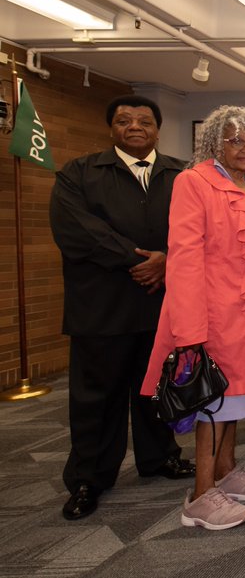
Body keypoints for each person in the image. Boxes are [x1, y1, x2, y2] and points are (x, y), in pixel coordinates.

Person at [140, 106, 245, 530]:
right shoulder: (194, 182)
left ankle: (226, 469)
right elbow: (184, 258)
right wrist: (189, 329)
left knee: (238, 394)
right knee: (212, 399)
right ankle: (201, 496)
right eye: (235, 140)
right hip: (214, 311)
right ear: (213, 143)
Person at [50, 95, 195, 521]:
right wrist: (140, 260)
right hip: (103, 307)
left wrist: (168, 258)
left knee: (156, 389)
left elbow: (201, 228)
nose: (135, 126)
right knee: (97, 397)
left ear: (157, 128)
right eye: (124, 120)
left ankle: (159, 457)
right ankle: (88, 478)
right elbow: (77, 229)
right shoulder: (79, 173)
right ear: (111, 128)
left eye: (144, 120)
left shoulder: (183, 174)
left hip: (163, 305)